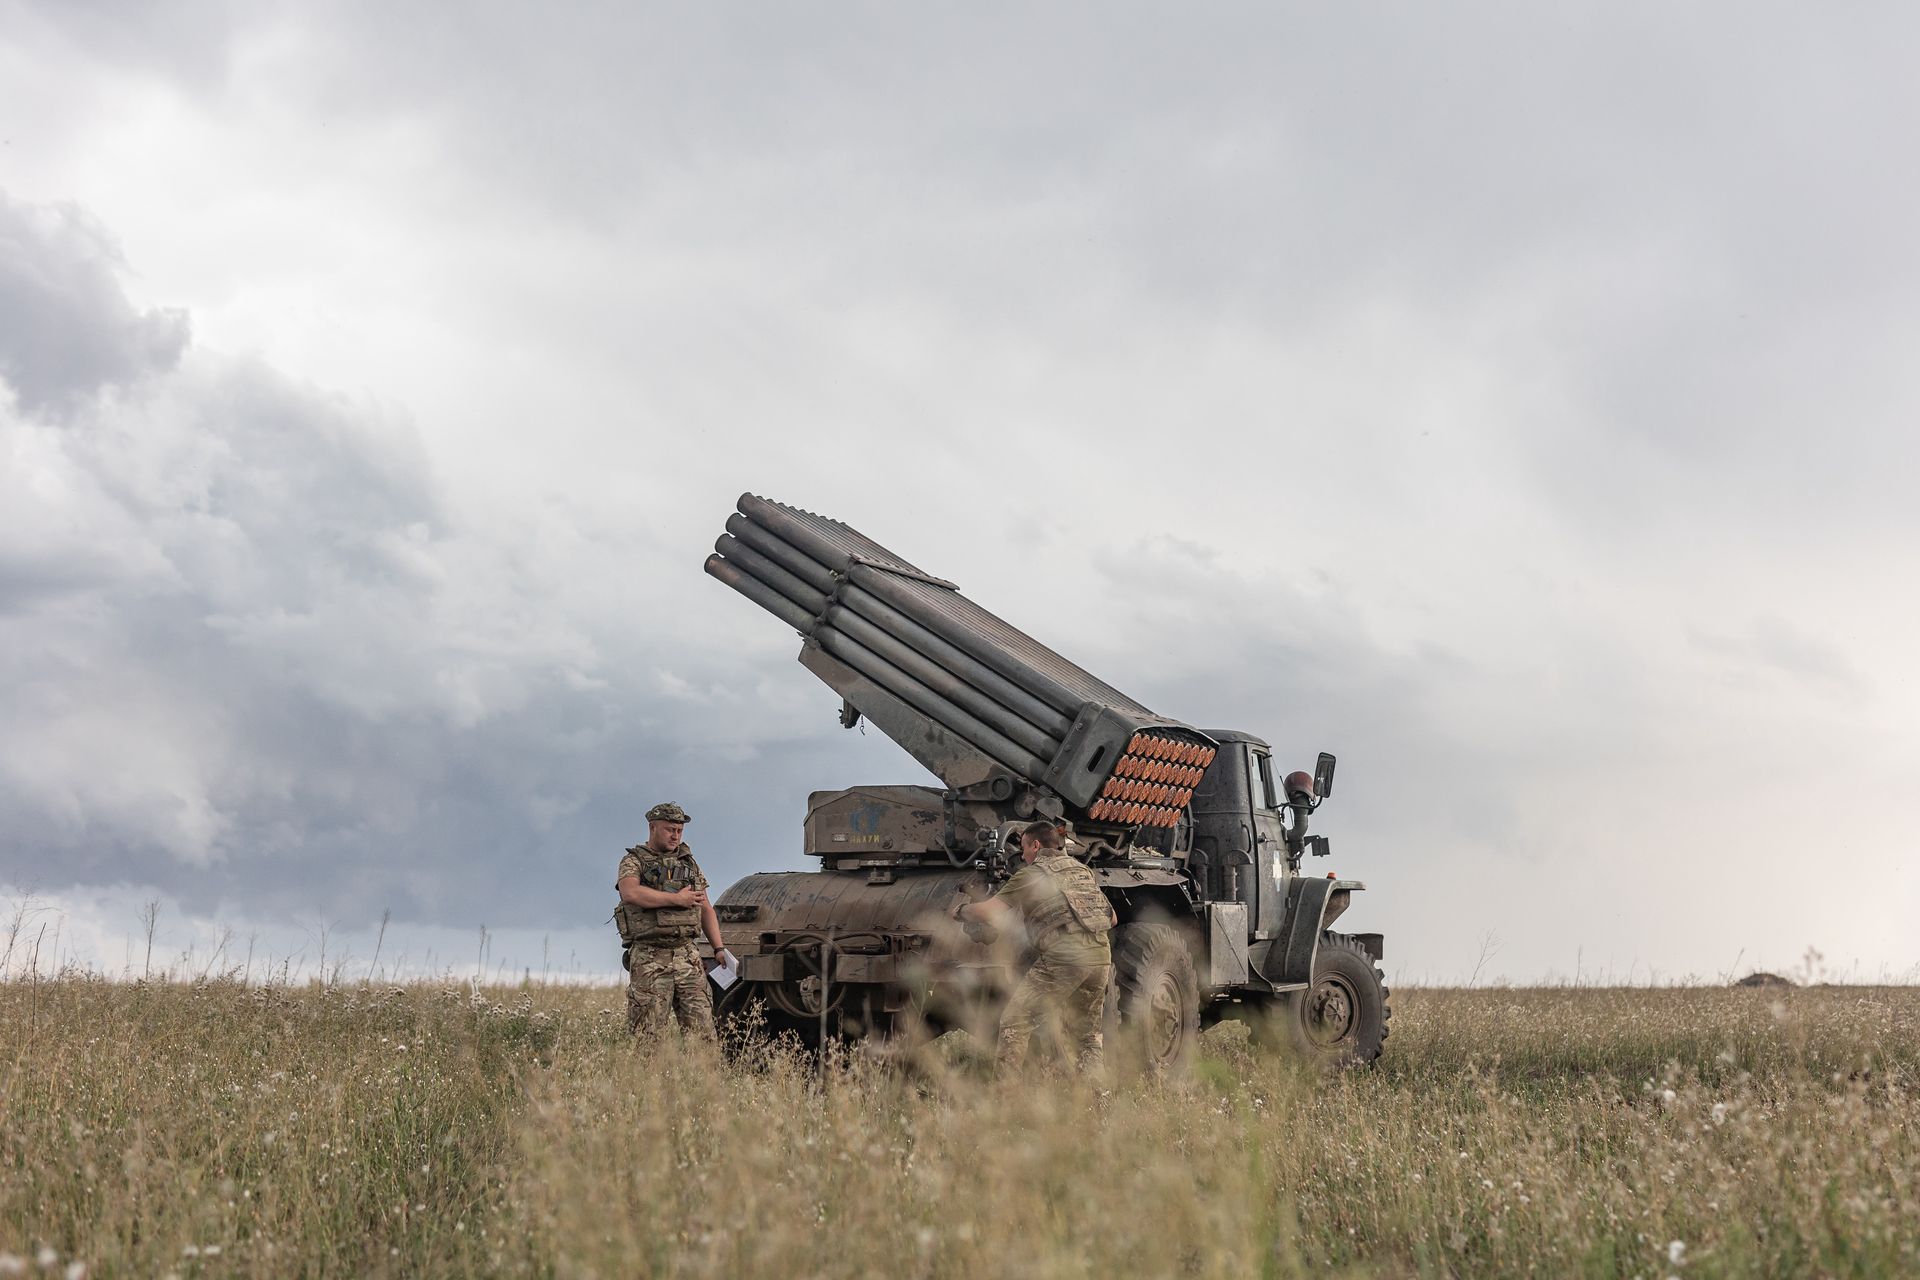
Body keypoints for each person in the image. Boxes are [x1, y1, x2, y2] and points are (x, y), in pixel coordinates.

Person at [956, 818, 1115, 1075]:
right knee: (1088, 1036)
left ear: (1037, 846)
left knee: (1014, 1019)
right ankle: (1098, 1099)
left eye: (1025, 848)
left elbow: (989, 912)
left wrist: (962, 910)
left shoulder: (1032, 874)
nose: (1024, 855)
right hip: (1100, 955)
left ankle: (1006, 1092)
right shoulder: (1080, 870)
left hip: (1064, 958)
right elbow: (1112, 918)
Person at [615, 802, 735, 1042]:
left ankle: (702, 1079)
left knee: (703, 1036)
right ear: (652, 827)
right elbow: (630, 893)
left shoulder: (688, 864)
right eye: (670, 829)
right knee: (646, 1036)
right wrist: (676, 899)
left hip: (687, 957)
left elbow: (705, 908)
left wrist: (718, 948)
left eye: (679, 831)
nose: (675, 835)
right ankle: (646, 1080)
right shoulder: (634, 861)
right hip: (650, 957)